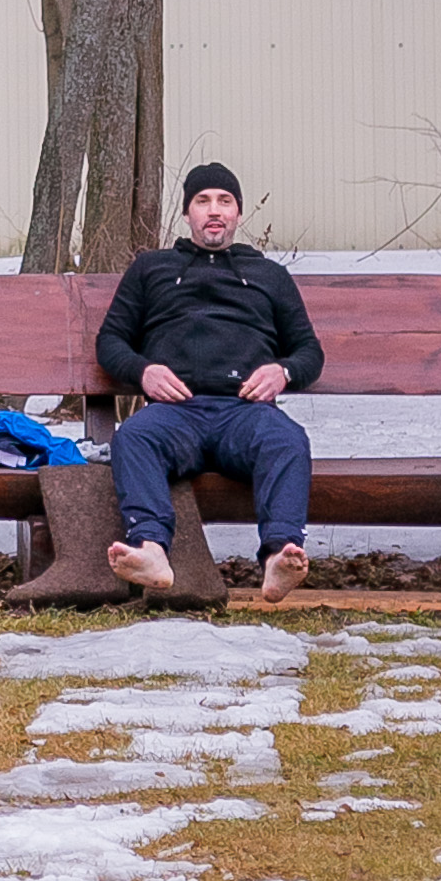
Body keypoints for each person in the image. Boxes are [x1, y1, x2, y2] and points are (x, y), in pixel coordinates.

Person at [95, 163, 322, 605]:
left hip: (246, 413)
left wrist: (283, 371)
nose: (214, 211)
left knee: (288, 440)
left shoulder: (269, 276)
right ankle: (151, 550)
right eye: (203, 201)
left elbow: (309, 352)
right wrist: (144, 372)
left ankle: (279, 555)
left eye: (224, 201)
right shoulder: (152, 269)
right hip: (176, 411)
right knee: (134, 437)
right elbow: (111, 341)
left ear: (237, 213)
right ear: (187, 214)